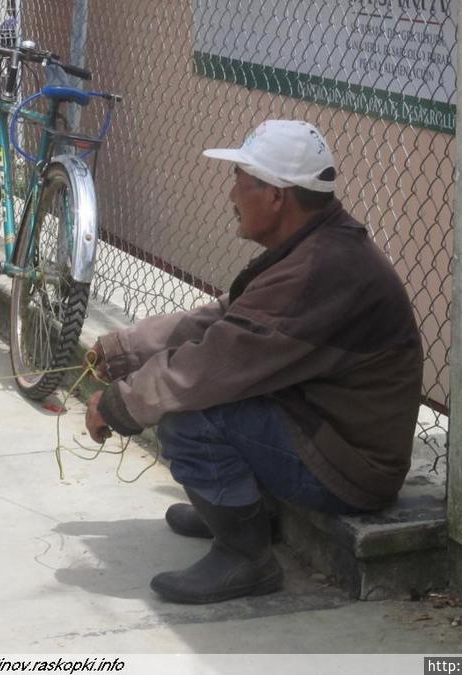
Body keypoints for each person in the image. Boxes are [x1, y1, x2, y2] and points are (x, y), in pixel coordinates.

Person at [84, 119, 424, 604]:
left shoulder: (319, 270)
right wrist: (122, 351)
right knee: (203, 394)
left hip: (352, 469)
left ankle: (245, 556)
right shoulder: (318, 246)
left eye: (240, 181)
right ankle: (238, 509)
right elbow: (222, 319)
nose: (231, 195)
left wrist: (119, 405)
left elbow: (208, 366)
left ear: (276, 195)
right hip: (324, 430)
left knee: (186, 415)